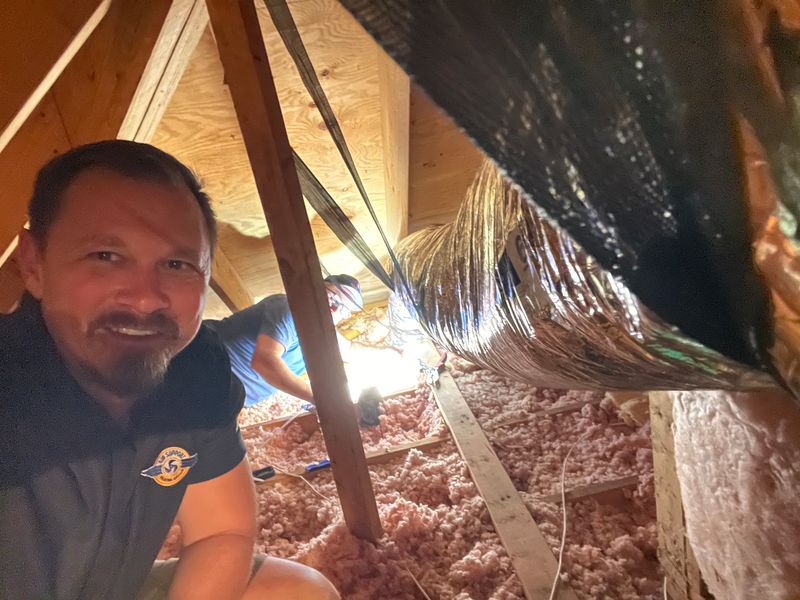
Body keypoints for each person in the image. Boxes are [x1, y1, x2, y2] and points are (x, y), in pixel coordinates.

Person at [0, 140, 339, 600]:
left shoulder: (194, 366)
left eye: (176, 264)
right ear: (34, 264)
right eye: (106, 256)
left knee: (297, 591)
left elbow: (221, 531)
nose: (146, 298)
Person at [207, 275, 363, 407]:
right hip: (200, 363)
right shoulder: (290, 308)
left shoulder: (321, 338)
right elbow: (265, 362)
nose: (335, 308)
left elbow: (351, 349)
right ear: (317, 287)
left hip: (220, 399)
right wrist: (322, 400)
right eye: (333, 296)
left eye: (344, 308)